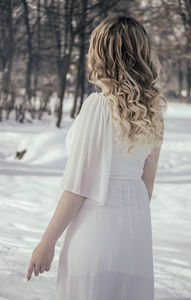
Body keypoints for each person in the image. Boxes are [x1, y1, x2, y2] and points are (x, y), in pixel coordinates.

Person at [26, 15, 167, 300]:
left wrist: (47, 242)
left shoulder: (97, 107)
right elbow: (147, 183)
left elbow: (77, 186)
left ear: (102, 54)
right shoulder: (153, 111)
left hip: (95, 227)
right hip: (135, 230)